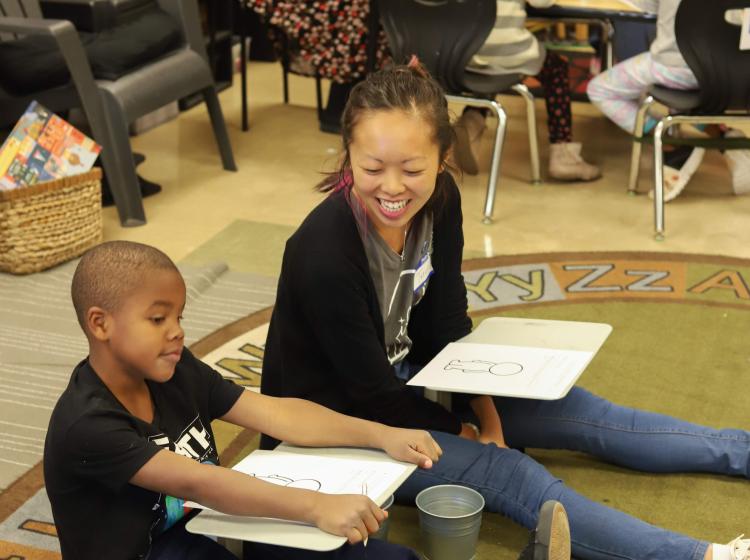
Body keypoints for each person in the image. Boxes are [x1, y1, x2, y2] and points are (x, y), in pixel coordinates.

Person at [260, 60, 750, 560]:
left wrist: (487, 414)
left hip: (403, 383)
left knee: (585, 414)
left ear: (443, 157)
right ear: (348, 156)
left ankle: (744, 449)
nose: (392, 188)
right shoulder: (323, 251)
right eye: (371, 168)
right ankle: (706, 557)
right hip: (342, 424)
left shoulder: (440, 200)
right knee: (515, 476)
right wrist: (468, 433)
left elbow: (447, 327)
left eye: (411, 169)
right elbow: (371, 395)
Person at [43, 240, 570, 560]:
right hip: (159, 554)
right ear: (101, 323)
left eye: (179, 316)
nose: (177, 331)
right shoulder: (86, 424)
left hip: (209, 532)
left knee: (374, 559)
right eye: (159, 319)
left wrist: (381, 434)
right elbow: (199, 480)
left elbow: (277, 412)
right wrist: (318, 507)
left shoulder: (176, 371)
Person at [454, 0, 600, 182]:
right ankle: (563, 154)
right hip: (507, 51)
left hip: (458, 53)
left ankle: (472, 122)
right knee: (556, 69)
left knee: (490, 68)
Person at [586, 0, 713, 201]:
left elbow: (644, 6)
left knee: (599, 90)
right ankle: (722, 136)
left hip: (677, 66)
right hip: (735, 71)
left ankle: (671, 141)